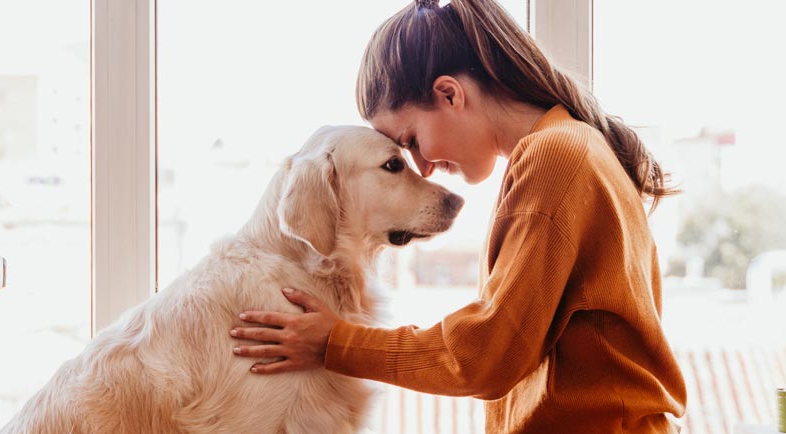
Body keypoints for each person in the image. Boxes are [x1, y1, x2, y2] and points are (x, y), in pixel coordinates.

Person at [231, 0, 686, 432]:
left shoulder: (556, 159)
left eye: (409, 141)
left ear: (449, 94)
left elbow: (485, 356)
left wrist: (335, 343)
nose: (424, 167)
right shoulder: (569, 147)